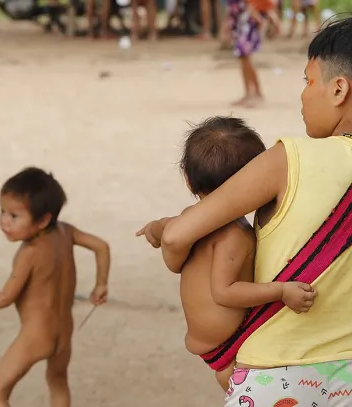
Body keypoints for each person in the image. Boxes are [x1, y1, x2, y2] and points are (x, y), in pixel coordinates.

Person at [152, 15, 352, 406]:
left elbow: (176, 235)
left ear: (339, 89)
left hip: (268, 384)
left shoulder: (287, 160)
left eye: (308, 81)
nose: (303, 94)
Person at [136, 117, 317, 391]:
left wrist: (154, 228)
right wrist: (281, 291)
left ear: (188, 181)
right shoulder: (233, 236)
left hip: (211, 340)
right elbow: (224, 292)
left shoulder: (188, 220)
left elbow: (169, 242)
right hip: (229, 343)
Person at [0, 167, 111, 407]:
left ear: (43, 220)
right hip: (64, 334)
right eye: (3, 211)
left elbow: (5, 297)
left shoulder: (29, 253)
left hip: (36, 336)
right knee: (58, 381)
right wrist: (101, 284)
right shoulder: (66, 232)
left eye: (14, 216)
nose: (4, 221)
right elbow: (101, 246)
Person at [228, 0, 264, 107]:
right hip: (239, 24)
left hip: (247, 24)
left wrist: (258, 19)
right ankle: (248, 92)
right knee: (243, 59)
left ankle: (257, 92)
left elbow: (250, 4)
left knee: (247, 58)